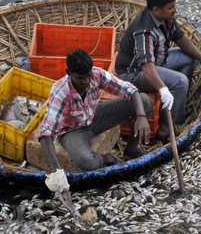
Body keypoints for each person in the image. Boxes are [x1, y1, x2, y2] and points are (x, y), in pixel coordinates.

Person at [114, 0, 201, 139]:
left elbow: (180, 38)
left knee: (189, 59)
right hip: (133, 72)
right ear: (156, 10)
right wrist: (163, 89)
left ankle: (176, 105)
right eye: (171, 7)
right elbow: (147, 67)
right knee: (180, 82)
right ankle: (167, 125)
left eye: (174, 6)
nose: (174, 10)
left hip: (157, 59)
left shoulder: (166, 18)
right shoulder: (144, 31)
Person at [39, 48, 153, 182]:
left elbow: (129, 90)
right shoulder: (60, 92)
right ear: (68, 73)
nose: (86, 81)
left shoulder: (96, 74)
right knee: (88, 162)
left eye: (88, 76)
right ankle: (104, 158)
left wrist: (141, 116)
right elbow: (46, 133)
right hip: (72, 130)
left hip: (94, 116)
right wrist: (56, 171)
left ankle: (131, 150)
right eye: (80, 78)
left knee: (144, 101)